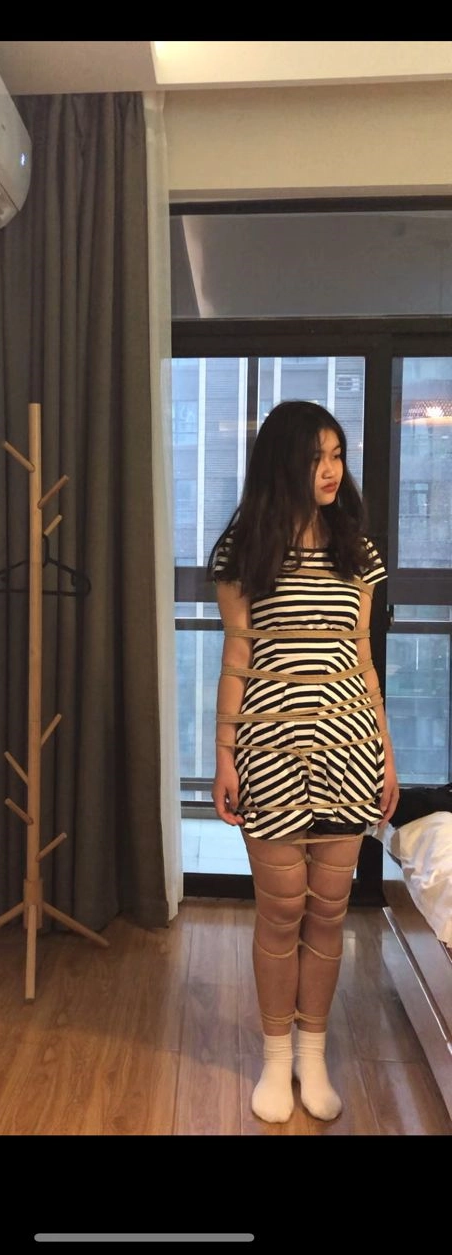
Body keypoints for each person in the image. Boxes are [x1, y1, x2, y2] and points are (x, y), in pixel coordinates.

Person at [209, 399, 399, 1124]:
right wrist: (223, 757)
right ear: (283, 462)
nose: (331, 470)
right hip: (269, 751)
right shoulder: (244, 551)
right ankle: (273, 1056)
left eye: (337, 455)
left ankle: (312, 1055)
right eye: (317, 456)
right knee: (281, 909)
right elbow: (237, 657)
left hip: (350, 747)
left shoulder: (357, 550)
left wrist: (386, 753)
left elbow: (362, 657)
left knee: (328, 911)